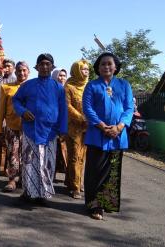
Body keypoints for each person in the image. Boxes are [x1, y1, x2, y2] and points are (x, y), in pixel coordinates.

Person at [82, 52, 133, 220]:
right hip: (97, 134)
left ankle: (107, 203)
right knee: (94, 171)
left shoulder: (124, 85)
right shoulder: (92, 86)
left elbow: (129, 108)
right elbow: (88, 108)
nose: (106, 66)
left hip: (117, 136)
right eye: (103, 64)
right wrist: (103, 126)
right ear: (98, 67)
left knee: (112, 172)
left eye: (109, 64)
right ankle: (94, 206)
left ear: (115, 67)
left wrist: (119, 127)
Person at [13, 53, 68, 204]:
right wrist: (23, 112)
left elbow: (63, 110)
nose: (44, 67)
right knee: (29, 163)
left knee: (46, 164)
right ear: (36, 67)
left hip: (50, 132)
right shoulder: (28, 85)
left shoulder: (58, 88)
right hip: (31, 130)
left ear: (52, 67)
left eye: (47, 64)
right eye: (41, 64)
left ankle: (43, 195)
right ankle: (29, 193)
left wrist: (63, 131)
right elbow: (16, 100)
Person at [0, 61, 30, 192]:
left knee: (27, 155)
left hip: (29, 128)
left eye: (24, 70)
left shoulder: (33, 87)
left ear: (28, 72)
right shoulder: (6, 88)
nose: (22, 73)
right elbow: (1, 110)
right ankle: (11, 180)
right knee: (13, 153)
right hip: (12, 126)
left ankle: (24, 179)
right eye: (19, 70)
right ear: (15, 72)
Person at [64, 60, 90, 199]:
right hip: (73, 127)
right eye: (83, 69)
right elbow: (67, 106)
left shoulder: (89, 85)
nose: (86, 72)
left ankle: (72, 181)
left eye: (87, 69)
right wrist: (81, 117)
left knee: (82, 157)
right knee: (74, 156)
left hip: (88, 127)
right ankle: (75, 187)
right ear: (76, 71)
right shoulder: (69, 86)